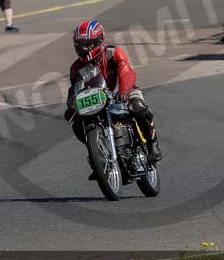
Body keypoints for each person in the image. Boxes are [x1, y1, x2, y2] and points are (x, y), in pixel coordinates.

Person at [64, 20, 162, 174]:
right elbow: (75, 90)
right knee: (77, 125)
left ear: (99, 41)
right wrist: (71, 106)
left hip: (123, 92)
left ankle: (152, 143)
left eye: (88, 44)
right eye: (80, 45)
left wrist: (124, 91)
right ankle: (97, 154)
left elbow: (127, 72)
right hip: (99, 99)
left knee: (137, 107)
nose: (83, 49)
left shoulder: (114, 53)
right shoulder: (76, 67)